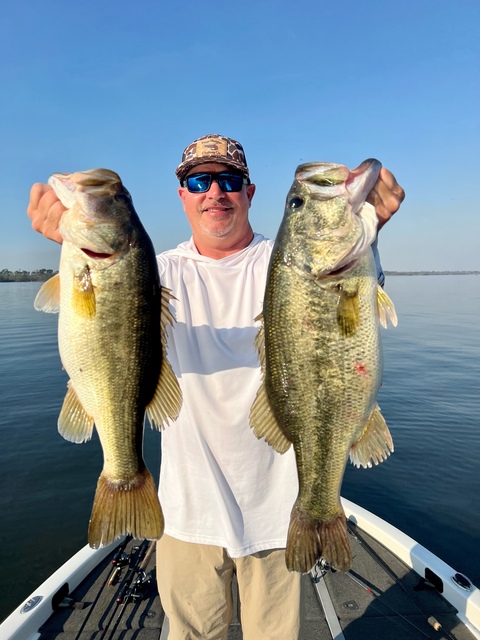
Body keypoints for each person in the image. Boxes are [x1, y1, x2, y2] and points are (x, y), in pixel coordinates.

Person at [27, 134, 405, 640]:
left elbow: (352, 305)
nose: (215, 193)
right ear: (181, 194)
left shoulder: (286, 265)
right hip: (187, 515)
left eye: (229, 180)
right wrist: (75, 242)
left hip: (278, 516)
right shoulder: (154, 271)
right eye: (199, 181)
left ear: (249, 193)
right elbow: (111, 312)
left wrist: (371, 228)